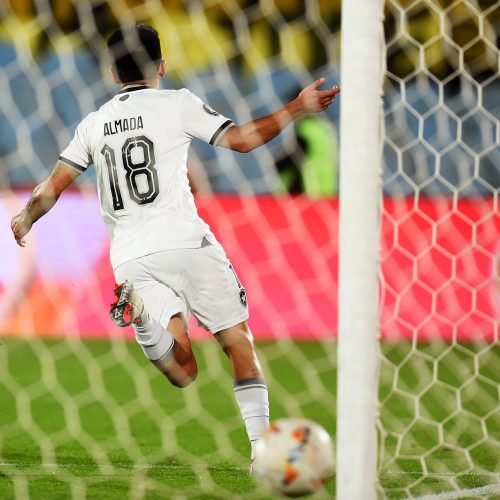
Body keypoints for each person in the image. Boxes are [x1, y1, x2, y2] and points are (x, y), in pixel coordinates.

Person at [10, 23, 340, 467]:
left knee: (183, 372)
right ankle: (262, 450)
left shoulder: (94, 124)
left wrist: (25, 217)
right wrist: (297, 109)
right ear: (161, 66)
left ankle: (143, 321)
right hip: (186, 242)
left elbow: (53, 186)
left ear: (111, 72)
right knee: (238, 343)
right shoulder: (178, 103)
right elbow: (242, 141)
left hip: (130, 257)